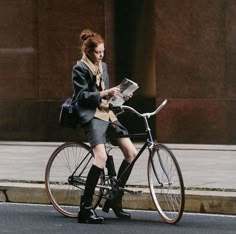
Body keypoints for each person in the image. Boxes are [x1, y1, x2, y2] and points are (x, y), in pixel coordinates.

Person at [72, 29, 137, 224]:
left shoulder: (104, 66)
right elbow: (81, 97)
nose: (101, 56)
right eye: (98, 52)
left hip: (108, 113)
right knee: (100, 156)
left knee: (131, 152)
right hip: (91, 115)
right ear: (89, 51)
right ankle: (85, 209)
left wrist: (119, 96)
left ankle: (115, 200)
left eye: (103, 52)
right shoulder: (80, 68)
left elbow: (107, 95)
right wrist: (104, 93)